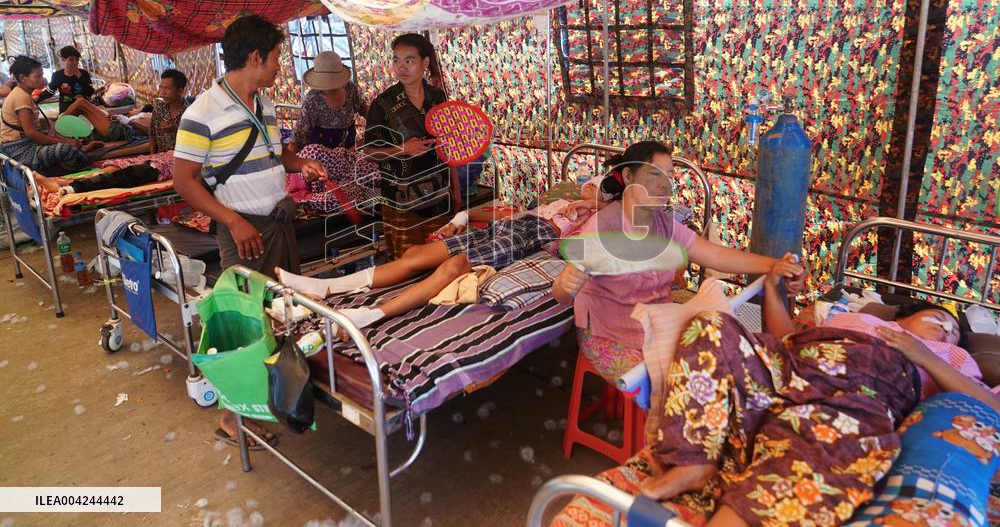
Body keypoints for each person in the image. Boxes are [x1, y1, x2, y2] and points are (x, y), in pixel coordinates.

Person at [612, 261, 1000, 527]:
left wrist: (922, 355)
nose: (947, 328)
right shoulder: (854, 318)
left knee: (820, 437)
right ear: (902, 316)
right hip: (791, 368)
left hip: (859, 392)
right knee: (712, 327)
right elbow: (786, 337)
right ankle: (694, 462)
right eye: (938, 317)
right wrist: (771, 290)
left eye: (953, 329)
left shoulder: (956, 358)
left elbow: (987, 406)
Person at [172, 15, 327, 450]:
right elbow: (184, 181)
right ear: (255, 57)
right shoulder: (202, 112)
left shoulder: (264, 104)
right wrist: (233, 221)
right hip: (244, 230)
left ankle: (271, 398)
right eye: (277, 56)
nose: (281, 65)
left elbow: (275, 154)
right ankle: (232, 418)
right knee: (248, 323)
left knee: (280, 315)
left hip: (277, 222)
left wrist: (300, 164)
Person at [551, 141, 786, 382]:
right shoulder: (603, 228)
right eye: (655, 174)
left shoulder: (663, 224)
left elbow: (715, 255)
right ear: (629, 176)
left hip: (659, 325)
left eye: (670, 175)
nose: (665, 184)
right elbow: (562, 294)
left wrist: (773, 265)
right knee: (689, 380)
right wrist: (564, 284)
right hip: (610, 336)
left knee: (724, 352)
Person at [276, 197, 597, 333]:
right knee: (415, 253)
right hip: (511, 226)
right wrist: (463, 217)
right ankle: (325, 286)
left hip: (531, 240)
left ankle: (369, 314)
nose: (588, 188)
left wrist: (590, 209)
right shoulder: (552, 203)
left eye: (596, 186)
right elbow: (503, 213)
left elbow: (580, 248)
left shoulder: (597, 219)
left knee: (455, 266)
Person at [362, 33, 461, 260]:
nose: (401, 67)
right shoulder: (383, 104)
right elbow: (369, 153)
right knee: (407, 266)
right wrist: (403, 149)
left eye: (409, 60)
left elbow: (448, 146)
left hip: (439, 198)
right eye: (396, 60)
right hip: (401, 205)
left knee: (440, 260)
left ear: (425, 63)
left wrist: (455, 188)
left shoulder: (438, 98)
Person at [284, 51, 378, 214]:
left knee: (370, 176)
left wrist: (379, 127)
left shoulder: (350, 90)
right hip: (320, 163)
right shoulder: (312, 100)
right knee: (329, 192)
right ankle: (310, 201)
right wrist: (288, 170)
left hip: (348, 155)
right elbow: (297, 140)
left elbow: (365, 110)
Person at [1, 55, 96, 173]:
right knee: (67, 149)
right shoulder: (21, 97)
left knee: (67, 143)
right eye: (38, 76)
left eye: (42, 74)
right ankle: (66, 164)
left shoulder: (23, 94)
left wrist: (62, 138)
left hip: (26, 145)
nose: (42, 79)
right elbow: (32, 134)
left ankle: (76, 155)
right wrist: (65, 142)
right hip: (21, 151)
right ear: (22, 78)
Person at [37, 46, 95, 112]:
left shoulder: (83, 73)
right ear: (63, 59)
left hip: (83, 107)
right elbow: (50, 91)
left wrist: (80, 76)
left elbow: (91, 92)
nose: (75, 62)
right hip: (66, 109)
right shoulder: (57, 75)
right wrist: (37, 98)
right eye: (71, 59)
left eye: (77, 60)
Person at [147, 69, 189, 154]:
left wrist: (176, 130)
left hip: (181, 160)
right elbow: (152, 134)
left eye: (167, 88)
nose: (162, 92)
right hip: (159, 160)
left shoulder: (190, 112)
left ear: (180, 91)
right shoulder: (159, 106)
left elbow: (194, 142)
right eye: (161, 87)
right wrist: (153, 157)